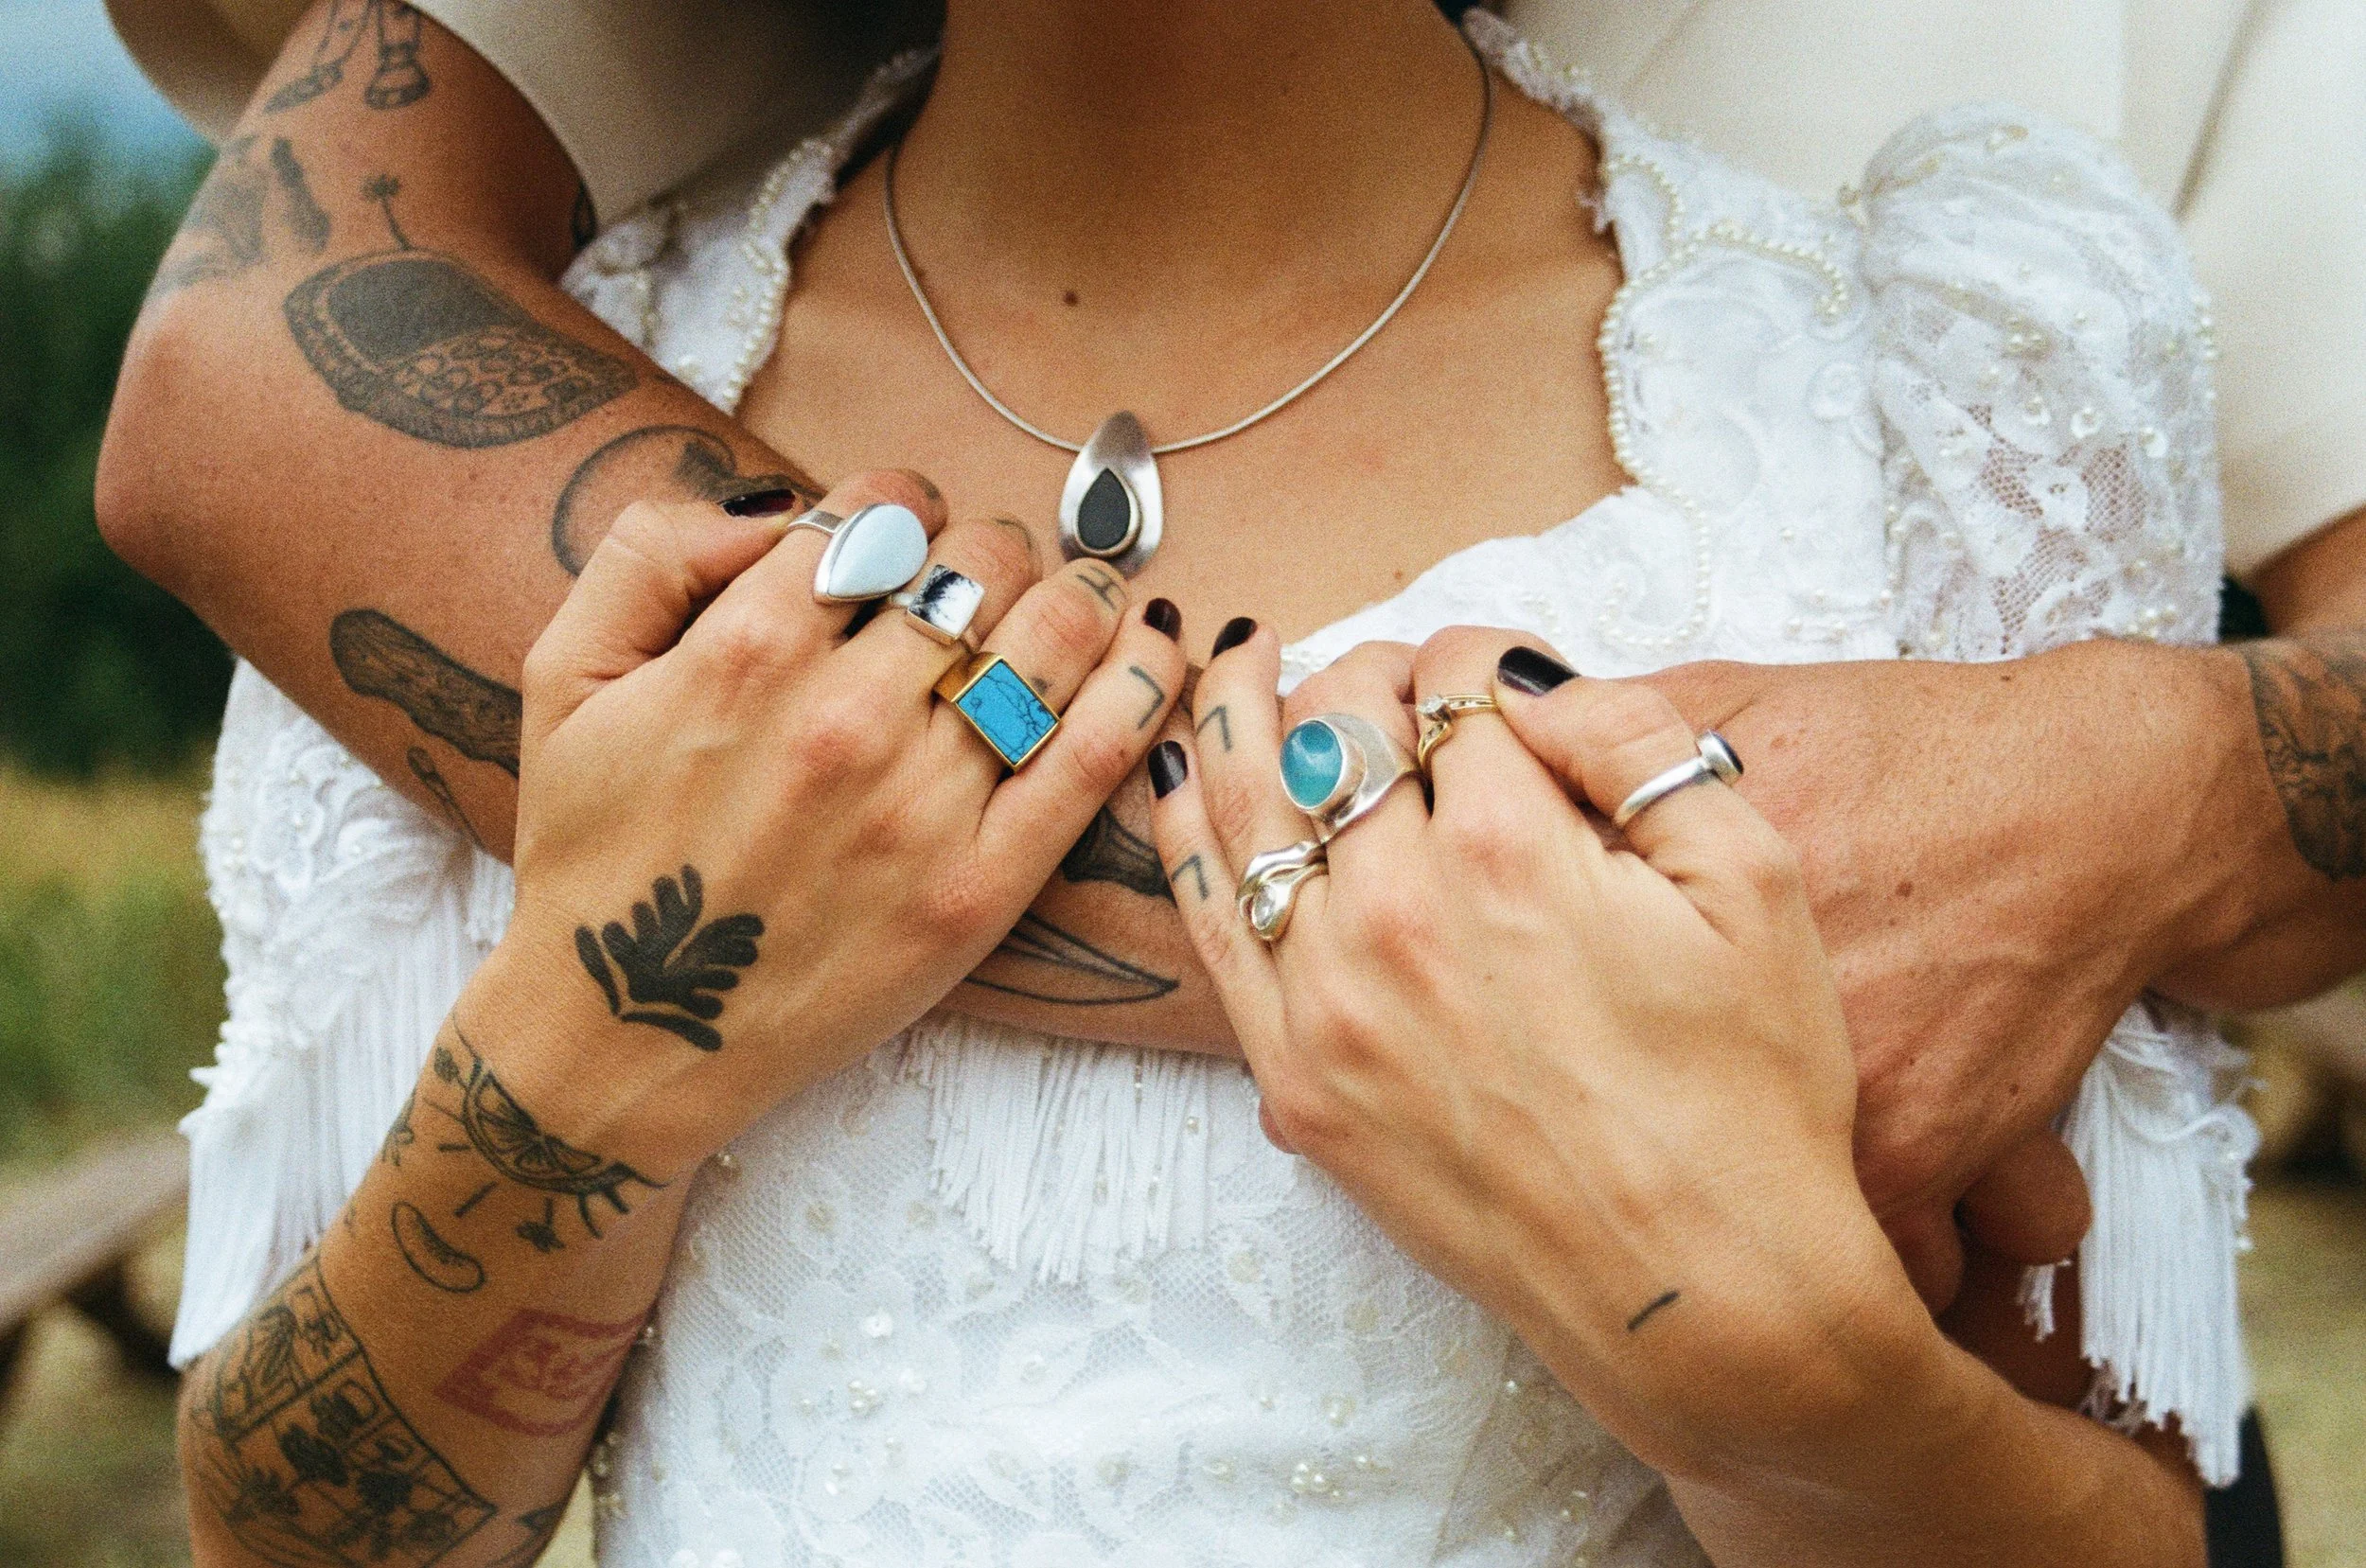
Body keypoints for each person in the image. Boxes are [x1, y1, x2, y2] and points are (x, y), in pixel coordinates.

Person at [87, 0, 2358, 1559]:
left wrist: (1783, 1394)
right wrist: (604, 1051)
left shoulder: (1917, 423)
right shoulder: (541, 425)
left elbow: (2123, 1506)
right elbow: (288, 1524)